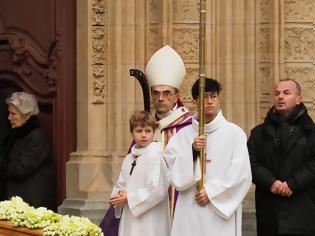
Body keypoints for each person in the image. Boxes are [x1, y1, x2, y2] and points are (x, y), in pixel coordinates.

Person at [100, 45, 192, 235]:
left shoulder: (187, 127)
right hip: (136, 211)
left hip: (174, 206)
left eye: (166, 93)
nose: (160, 98)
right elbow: (128, 172)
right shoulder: (145, 127)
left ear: (176, 95)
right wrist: (120, 195)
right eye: (156, 93)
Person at [165, 78, 252, 236]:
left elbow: (242, 175)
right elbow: (172, 174)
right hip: (188, 209)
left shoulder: (235, 134)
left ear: (219, 98)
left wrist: (211, 192)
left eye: (213, 96)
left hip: (219, 211)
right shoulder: (181, 137)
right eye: (204, 97)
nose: (210, 101)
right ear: (195, 100)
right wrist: (192, 152)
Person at [247, 79, 315, 236]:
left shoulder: (311, 132)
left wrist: (293, 184)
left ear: (299, 99)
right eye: (277, 93)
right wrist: (271, 182)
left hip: (303, 210)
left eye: (286, 93)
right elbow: (250, 162)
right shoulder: (258, 133)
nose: (280, 97)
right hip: (269, 212)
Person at [110, 111, 170, 236]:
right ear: (132, 133)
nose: (143, 135)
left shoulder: (156, 156)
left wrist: (129, 197)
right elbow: (121, 183)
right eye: (139, 131)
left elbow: (158, 190)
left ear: (154, 133)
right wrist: (117, 196)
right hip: (129, 214)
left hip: (151, 217)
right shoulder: (129, 158)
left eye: (148, 131)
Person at [0, 92, 55, 210]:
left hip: (30, 205)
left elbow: (20, 168)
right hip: (16, 203)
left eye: (13, 114)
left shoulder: (37, 138)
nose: (9, 118)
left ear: (28, 115)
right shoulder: (16, 136)